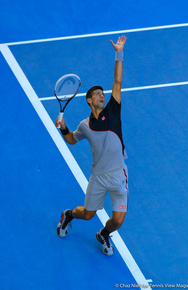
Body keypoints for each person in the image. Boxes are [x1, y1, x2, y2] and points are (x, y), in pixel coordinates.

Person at [55, 36, 128, 256]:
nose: (101, 95)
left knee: (117, 221)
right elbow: (71, 140)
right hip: (99, 177)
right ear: (88, 100)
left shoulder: (113, 110)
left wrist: (119, 53)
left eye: (102, 94)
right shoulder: (85, 125)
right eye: (97, 94)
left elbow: (117, 82)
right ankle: (68, 215)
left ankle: (103, 234)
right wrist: (63, 128)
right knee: (87, 214)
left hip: (119, 174)